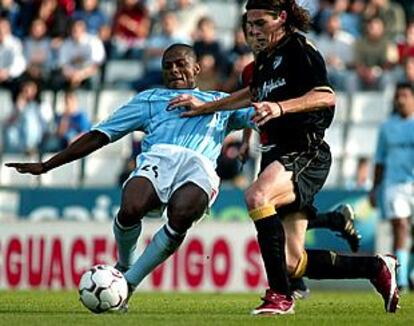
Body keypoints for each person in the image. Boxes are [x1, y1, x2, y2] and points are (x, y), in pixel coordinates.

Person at [169, 0, 399, 315]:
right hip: (277, 152)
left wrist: (279, 108)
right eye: (249, 25)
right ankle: (376, 267)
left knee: (257, 195)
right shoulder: (264, 59)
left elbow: (325, 96)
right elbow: (253, 93)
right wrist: (205, 106)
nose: (253, 30)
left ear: (281, 18)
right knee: (292, 262)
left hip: (305, 150)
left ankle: (280, 296)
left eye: (260, 23)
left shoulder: (299, 49)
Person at [6, 43, 255, 312]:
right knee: (131, 207)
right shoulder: (149, 100)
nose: (174, 70)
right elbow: (100, 135)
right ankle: (124, 265)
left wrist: (250, 138)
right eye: (167, 66)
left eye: (180, 64)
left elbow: (259, 113)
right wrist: (47, 165)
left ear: (196, 67)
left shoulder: (220, 101)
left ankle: (127, 284)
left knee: (182, 214)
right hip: (159, 158)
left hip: (200, 165)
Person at [369, 82, 414, 291]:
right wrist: (374, 187)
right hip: (393, 184)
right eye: (398, 96)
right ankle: (402, 280)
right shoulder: (387, 127)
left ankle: (409, 273)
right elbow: (379, 160)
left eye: (405, 95)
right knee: (401, 227)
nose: (401, 99)